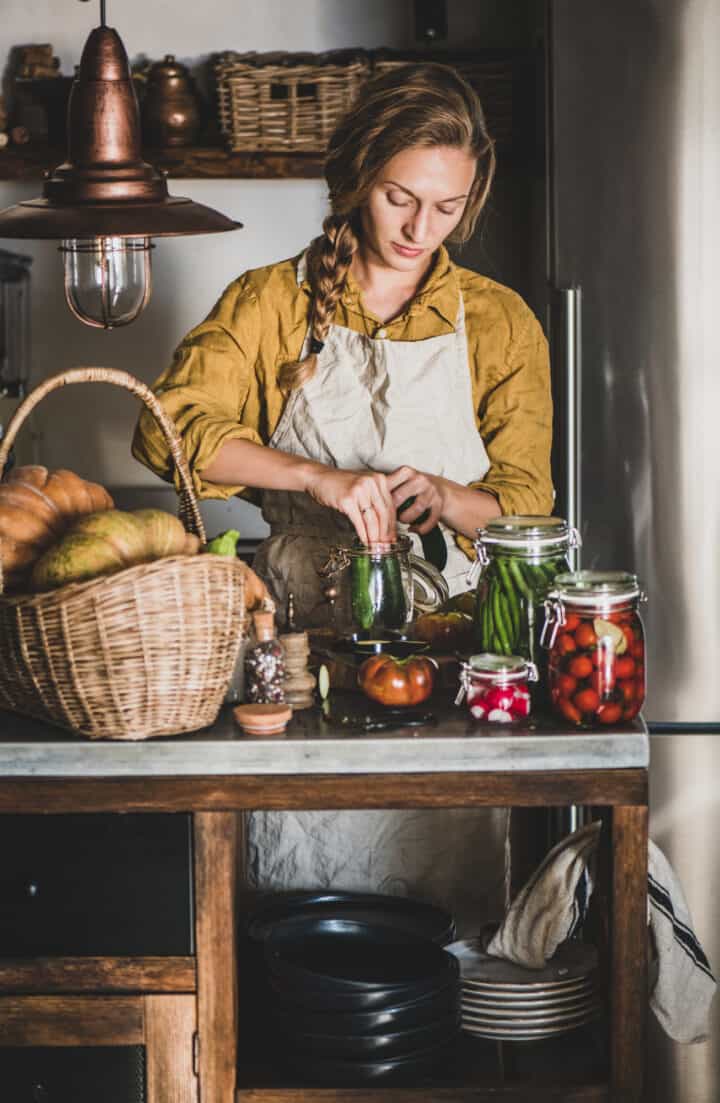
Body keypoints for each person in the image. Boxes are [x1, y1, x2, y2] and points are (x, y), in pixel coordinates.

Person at [132, 63, 553, 930]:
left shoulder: (501, 321)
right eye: (401, 197)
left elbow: (528, 511)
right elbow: (166, 430)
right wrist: (314, 475)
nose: (420, 227)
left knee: (444, 913)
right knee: (292, 906)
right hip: (295, 674)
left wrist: (445, 495)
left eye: (446, 207)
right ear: (361, 176)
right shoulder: (269, 303)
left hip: (443, 681)